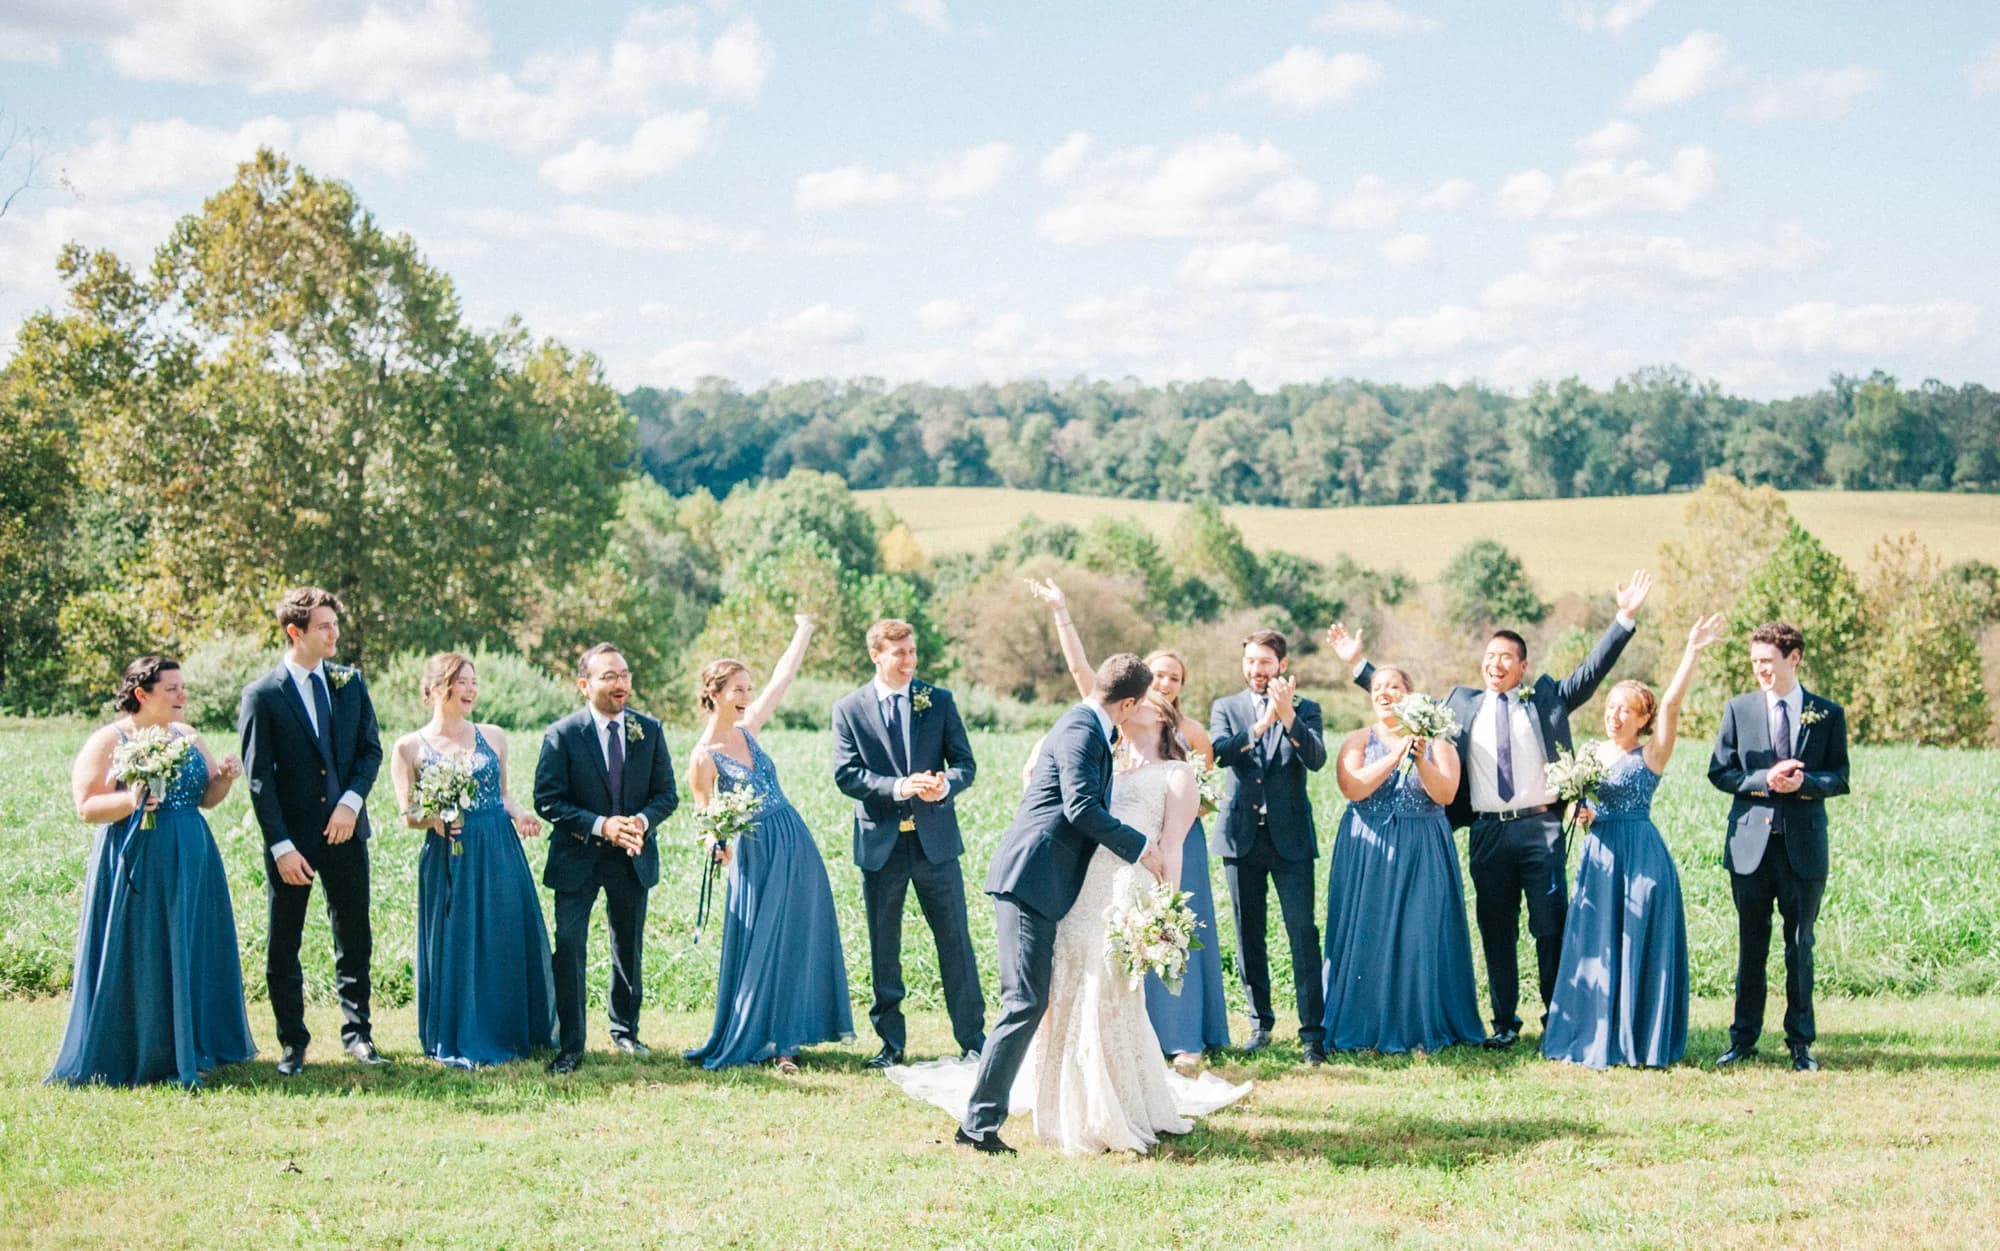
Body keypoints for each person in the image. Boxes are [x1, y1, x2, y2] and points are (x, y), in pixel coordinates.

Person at [890, 657, 1249, 1155]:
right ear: (1125, 703)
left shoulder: (1091, 728)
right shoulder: (1082, 730)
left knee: (1032, 1001)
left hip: (1051, 884)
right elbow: (1081, 807)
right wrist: (1139, 847)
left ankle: (989, 1119)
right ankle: (977, 1126)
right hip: (1030, 878)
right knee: (1025, 1002)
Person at [1331, 569, 1651, 1049]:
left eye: (1505, 657)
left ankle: (1556, 1017)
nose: (1495, 663)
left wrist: (1624, 618)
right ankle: (1504, 1022)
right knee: (1495, 928)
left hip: (1540, 826)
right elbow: (1398, 701)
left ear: (1523, 666)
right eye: (1489, 656)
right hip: (1486, 832)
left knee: (1549, 925)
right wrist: (1360, 666)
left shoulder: (1545, 699)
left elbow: (1590, 672)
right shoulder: (1460, 703)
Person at [1028, 578, 1230, 1071]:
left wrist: (1168, 907)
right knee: (1085, 963)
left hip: (1145, 869)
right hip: (1093, 874)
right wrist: (1061, 611)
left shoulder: (1178, 764)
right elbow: (1083, 673)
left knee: (1126, 962)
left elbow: (1176, 837)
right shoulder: (1106, 756)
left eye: (1157, 697)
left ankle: (1173, 1040)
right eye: (1143, 693)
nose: (1143, 702)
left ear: (1163, 721)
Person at [50, 657, 257, 1087]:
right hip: (137, 857)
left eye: (183, 687)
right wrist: (131, 802)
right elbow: (87, 806)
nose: (183, 696)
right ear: (142, 695)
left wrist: (224, 778)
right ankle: (141, 1048)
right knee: (144, 949)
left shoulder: (187, 735)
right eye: (173, 689)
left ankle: (194, 1045)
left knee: (191, 946)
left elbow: (206, 798)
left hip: (192, 855)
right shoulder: (110, 739)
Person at [1543, 614, 1724, 1069]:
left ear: (1643, 718)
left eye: (1625, 709)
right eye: (1610, 706)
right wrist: (1578, 812)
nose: (1614, 714)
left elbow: (1673, 705)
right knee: (1597, 943)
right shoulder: (1588, 753)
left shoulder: (1652, 754)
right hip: (1599, 857)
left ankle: (1639, 1036)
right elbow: (1572, 802)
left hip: (1641, 855)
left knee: (1639, 941)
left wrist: (1692, 651)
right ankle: (1594, 1032)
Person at [684, 616, 854, 1072]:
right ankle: (758, 1034)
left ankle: (788, 1041)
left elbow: (784, 678)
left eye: (747, 689)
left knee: (798, 936)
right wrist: (716, 845)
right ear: (715, 693)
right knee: (764, 941)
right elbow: (705, 819)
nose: (746, 697)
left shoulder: (749, 729)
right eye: (738, 689)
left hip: (794, 842)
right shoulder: (703, 757)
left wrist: (804, 630)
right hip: (753, 854)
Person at [238, 586, 385, 1075]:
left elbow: (370, 752)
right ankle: (292, 1043)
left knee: (354, 937)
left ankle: (358, 1034)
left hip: (347, 833)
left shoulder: (350, 683)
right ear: (294, 632)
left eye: (335, 624)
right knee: (285, 942)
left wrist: (350, 803)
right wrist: (280, 846)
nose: (334, 633)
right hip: (292, 842)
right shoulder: (262, 695)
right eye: (324, 626)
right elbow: (260, 780)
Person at [831, 618, 984, 1069]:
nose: (909, 661)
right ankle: (891, 1044)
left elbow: (965, 764)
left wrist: (945, 785)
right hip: (881, 846)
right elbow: (847, 774)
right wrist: (899, 787)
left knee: (955, 940)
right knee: (885, 945)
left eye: (913, 652)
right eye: (900, 654)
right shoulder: (849, 709)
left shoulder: (938, 701)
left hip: (936, 844)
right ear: (876, 655)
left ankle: (974, 1040)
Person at [390, 654, 555, 1068]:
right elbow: (408, 814)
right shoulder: (409, 747)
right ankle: (460, 1031)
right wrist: (436, 819)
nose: (470, 690)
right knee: (457, 938)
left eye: (473, 682)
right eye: (460, 682)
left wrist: (520, 816)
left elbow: (502, 795)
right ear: (434, 689)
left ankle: (509, 1028)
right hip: (450, 854)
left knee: (503, 934)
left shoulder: (494, 736)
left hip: (497, 847)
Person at [1708, 621, 1850, 1073]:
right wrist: (1761, 782)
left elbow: (1840, 777)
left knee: (1799, 945)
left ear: (1795, 658)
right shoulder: (1739, 709)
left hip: (1803, 850)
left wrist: (1804, 785)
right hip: (1750, 847)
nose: (1760, 671)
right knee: (1751, 946)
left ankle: (1800, 1043)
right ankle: (1743, 1038)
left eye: (1767, 662)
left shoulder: (1826, 714)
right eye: (1755, 663)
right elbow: (1720, 772)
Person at [1320, 665, 1484, 1055]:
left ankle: (1418, 1027)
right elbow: (1353, 787)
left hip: (1422, 846)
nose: (1384, 692)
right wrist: (1396, 753)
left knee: (1419, 935)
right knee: (1368, 933)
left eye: (1393, 686)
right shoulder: (1358, 739)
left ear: (1409, 694)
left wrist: (1421, 757)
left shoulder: (1439, 742)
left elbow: (1445, 794)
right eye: (1377, 687)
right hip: (1368, 847)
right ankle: (1365, 1026)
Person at [535, 643, 679, 1074]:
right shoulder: (562, 734)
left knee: (628, 948)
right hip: (576, 857)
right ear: (584, 685)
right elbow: (547, 800)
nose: (621, 684)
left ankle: (625, 1031)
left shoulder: (648, 730)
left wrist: (639, 821)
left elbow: (666, 794)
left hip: (632, 857)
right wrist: (601, 825)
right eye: (609, 676)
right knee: (571, 947)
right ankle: (572, 1045)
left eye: (625, 675)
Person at [1210, 630, 1329, 1064]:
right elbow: (1222, 752)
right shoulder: (1226, 708)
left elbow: (1316, 759)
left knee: (1302, 933)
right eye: (1250, 662)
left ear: (1282, 664)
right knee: (1248, 934)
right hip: (1241, 836)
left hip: (1291, 839)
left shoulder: (1307, 708)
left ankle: (1313, 1034)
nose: (1257, 670)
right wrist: (1263, 723)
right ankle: (1260, 1023)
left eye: (1265, 662)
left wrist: (1288, 718)